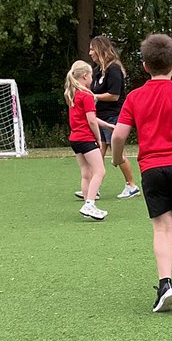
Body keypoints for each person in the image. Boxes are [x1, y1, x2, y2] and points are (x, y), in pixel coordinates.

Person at [110, 33, 172, 311]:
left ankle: (165, 285)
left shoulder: (135, 97)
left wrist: (116, 159)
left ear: (144, 66)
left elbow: (118, 136)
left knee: (162, 228)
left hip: (151, 169)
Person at [87, 36, 140, 200]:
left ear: (100, 50)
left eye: (92, 49)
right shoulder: (98, 71)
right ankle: (92, 188)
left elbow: (115, 96)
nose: (89, 53)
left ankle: (131, 185)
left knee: (117, 152)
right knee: (99, 151)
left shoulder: (114, 69)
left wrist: (95, 97)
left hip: (114, 116)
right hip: (101, 116)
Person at [64, 60, 115, 221]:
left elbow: (88, 118)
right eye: (91, 76)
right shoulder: (86, 95)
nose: (92, 79)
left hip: (75, 139)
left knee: (86, 173)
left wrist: (107, 125)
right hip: (86, 138)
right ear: (85, 76)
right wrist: (99, 139)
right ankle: (90, 203)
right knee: (100, 171)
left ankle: (88, 203)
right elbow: (91, 120)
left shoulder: (73, 94)